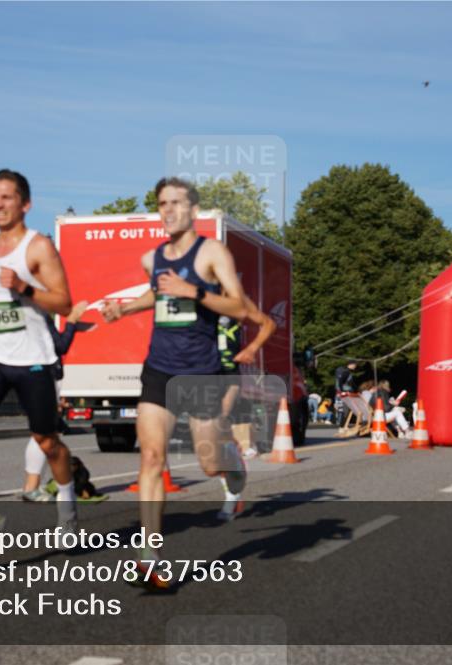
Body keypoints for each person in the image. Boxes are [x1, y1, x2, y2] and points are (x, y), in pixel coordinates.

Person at [101, 177, 248, 589]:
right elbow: (157, 296)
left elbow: (237, 306)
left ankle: (233, 465)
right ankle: (149, 557)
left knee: (209, 462)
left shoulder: (212, 253)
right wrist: (125, 309)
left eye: (176, 204)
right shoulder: (153, 259)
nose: (168, 211)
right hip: (159, 370)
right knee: (150, 458)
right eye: (162, 204)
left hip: (200, 372)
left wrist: (195, 292)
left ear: (193, 211)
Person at [0, 169, 77, 555]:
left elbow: (64, 302)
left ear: (25, 204)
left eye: (7, 198)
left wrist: (26, 287)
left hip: (33, 357)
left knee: (47, 442)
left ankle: (67, 510)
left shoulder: (38, 247)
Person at [21, 300, 88, 502]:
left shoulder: (24, 313)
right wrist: (72, 322)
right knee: (44, 433)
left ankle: (31, 486)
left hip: (27, 372)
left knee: (41, 432)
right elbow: (60, 345)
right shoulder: (39, 315)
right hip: (45, 374)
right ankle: (31, 488)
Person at [217, 297, 276, 459]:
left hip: (229, 367)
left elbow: (268, 324)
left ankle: (243, 446)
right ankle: (230, 446)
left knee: (229, 410)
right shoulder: (197, 295)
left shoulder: (236, 300)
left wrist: (252, 349)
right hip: (203, 368)